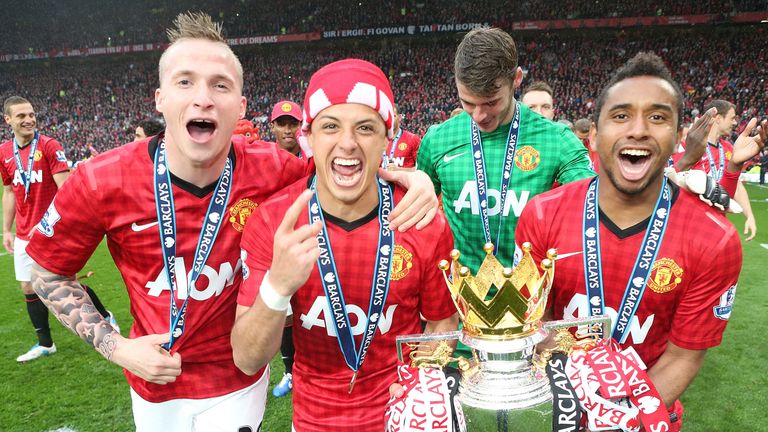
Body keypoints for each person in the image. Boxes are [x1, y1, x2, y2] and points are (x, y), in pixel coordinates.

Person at [26, 13, 437, 431]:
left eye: (219, 84)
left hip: (237, 379)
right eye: (185, 81)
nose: (203, 98)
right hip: (154, 380)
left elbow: (346, 163)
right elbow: (46, 268)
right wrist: (117, 347)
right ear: (159, 98)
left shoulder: (275, 169)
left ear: (239, 105)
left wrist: (412, 178)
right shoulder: (100, 179)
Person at [516, 52, 764, 430]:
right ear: (595, 137)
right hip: (561, 413)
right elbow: (537, 324)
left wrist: (618, 420)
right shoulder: (542, 214)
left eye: (658, 117)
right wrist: (574, 409)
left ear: (679, 138)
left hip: (646, 416)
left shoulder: (713, 239)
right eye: (620, 115)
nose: (638, 130)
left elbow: (684, 356)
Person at [231, 58, 458, 431]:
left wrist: (419, 383)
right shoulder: (275, 221)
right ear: (310, 136)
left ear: (388, 139)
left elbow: (442, 323)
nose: (348, 143)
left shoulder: (420, 219)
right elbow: (247, 358)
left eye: (365, 128)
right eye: (331, 126)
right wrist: (277, 286)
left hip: (401, 416)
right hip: (312, 420)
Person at [1, 96, 117, 362]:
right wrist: (7, 229)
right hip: (23, 233)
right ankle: (45, 343)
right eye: (21, 116)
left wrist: (54, 225)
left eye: (31, 114)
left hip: (51, 230)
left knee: (65, 284)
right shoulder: (4, 152)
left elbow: (66, 190)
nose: (29, 119)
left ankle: (106, 317)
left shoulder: (50, 146)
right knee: (28, 288)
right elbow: (8, 192)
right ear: (8, 120)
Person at [676, 99, 758, 240]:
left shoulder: (728, 149)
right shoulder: (690, 146)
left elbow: (736, 185)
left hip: (717, 224)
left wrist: (749, 215)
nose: (735, 123)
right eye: (732, 118)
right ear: (718, 118)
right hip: (690, 226)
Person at [383, 105, 421, 170]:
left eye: (393, 116)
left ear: (400, 117)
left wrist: (399, 170)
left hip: (404, 180)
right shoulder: (378, 140)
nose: (390, 120)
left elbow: (422, 170)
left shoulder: (413, 139)